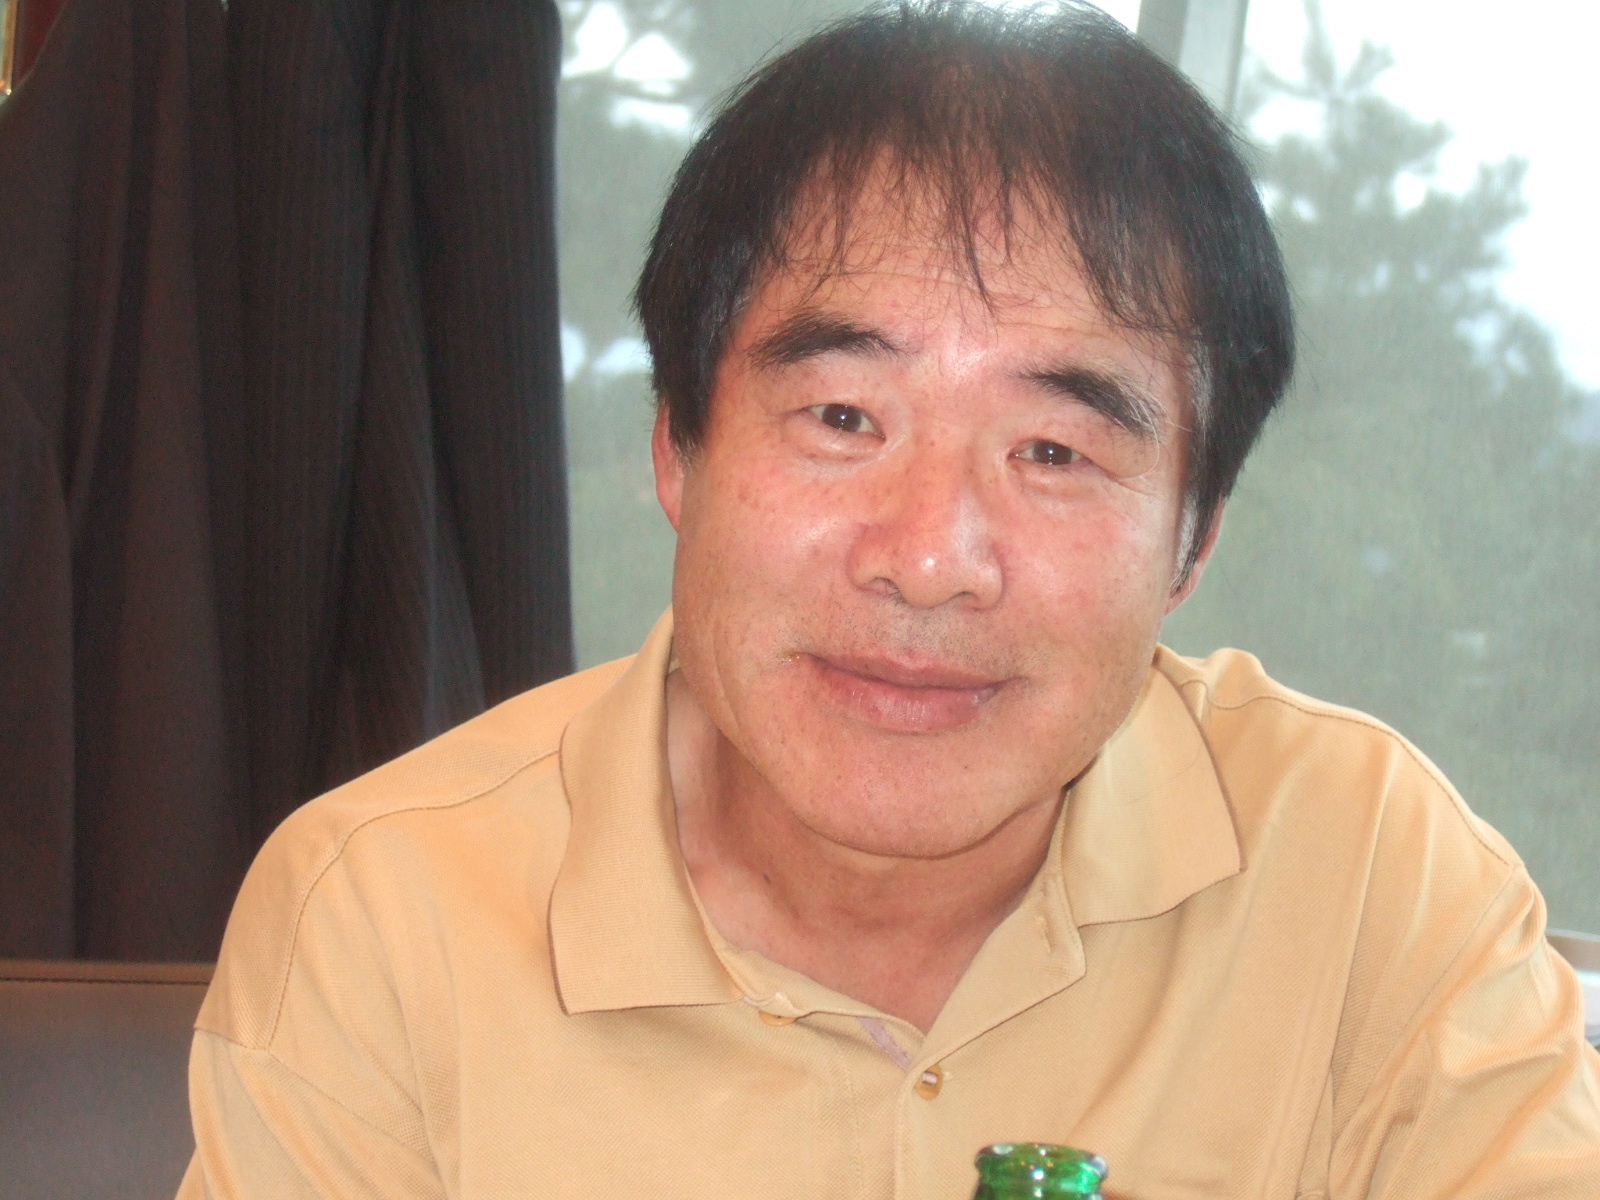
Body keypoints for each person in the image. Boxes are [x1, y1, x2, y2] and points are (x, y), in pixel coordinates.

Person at [177, 3, 1600, 1197]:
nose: (929, 558)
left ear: (1194, 539)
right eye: (844, 418)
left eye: (1054, 452)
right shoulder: (391, 913)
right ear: (676, 448)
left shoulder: (1364, 871)